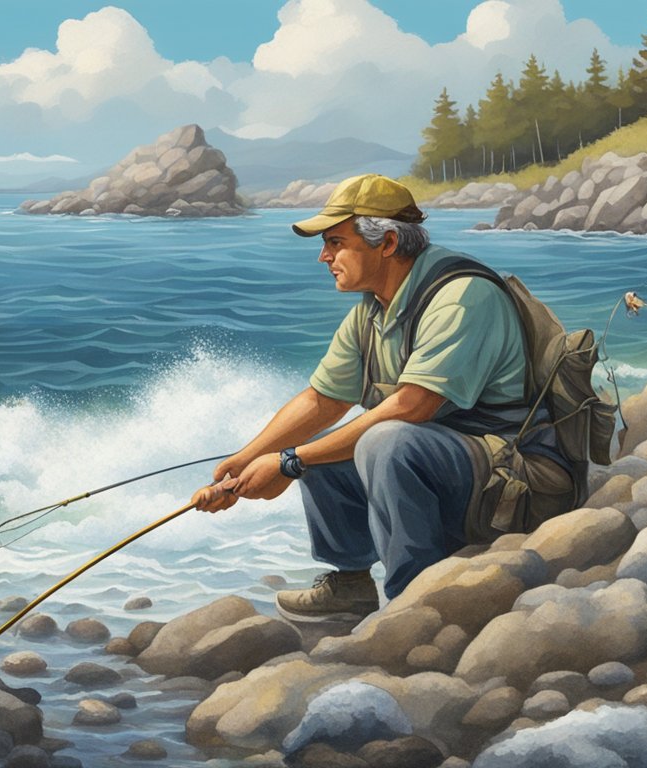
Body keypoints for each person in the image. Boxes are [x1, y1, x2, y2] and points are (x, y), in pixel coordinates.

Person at [191, 173, 570, 623]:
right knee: (334, 442)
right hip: (451, 474)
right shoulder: (372, 310)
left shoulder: (463, 296)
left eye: (336, 242)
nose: (323, 257)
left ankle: (413, 603)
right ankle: (350, 585)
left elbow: (413, 408)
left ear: (387, 243)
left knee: (377, 440)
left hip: (513, 482)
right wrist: (247, 459)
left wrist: (290, 462)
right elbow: (322, 401)